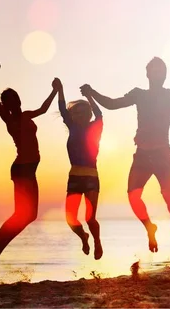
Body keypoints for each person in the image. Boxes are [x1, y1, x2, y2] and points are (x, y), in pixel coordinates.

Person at [81, 56, 170, 252]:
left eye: (161, 70)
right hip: (142, 155)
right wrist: (92, 93)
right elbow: (112, 104)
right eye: (154, 70)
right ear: (148, 74)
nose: (158, 73)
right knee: (133, 196)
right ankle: (150, 227)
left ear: (165, 75)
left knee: (169, 195)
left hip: (162, 154)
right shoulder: (139, 94)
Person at [0, 66, 58, 272]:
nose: (16, 102)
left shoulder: (26, 115)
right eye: (11, 100)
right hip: (22, 169)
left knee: (27, 216)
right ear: (7, 105)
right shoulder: (10, 119)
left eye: (16, 98)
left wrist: (56, 90)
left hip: (28, 170)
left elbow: (43, 109)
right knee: (21, 215)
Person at [54, 78, 104, 260]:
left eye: (83, 113)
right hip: (74, 177)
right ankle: (84, 237)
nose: (79, 115)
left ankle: (97, 241)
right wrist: (60, 89)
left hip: (91, 176)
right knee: (71, 219)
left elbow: (99, 114)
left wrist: (90, 97)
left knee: (90, 218)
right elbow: (62, 110)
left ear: (88, 114)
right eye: (76, 113)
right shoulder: (73, 127)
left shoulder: (95, 127)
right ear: (73, 116)